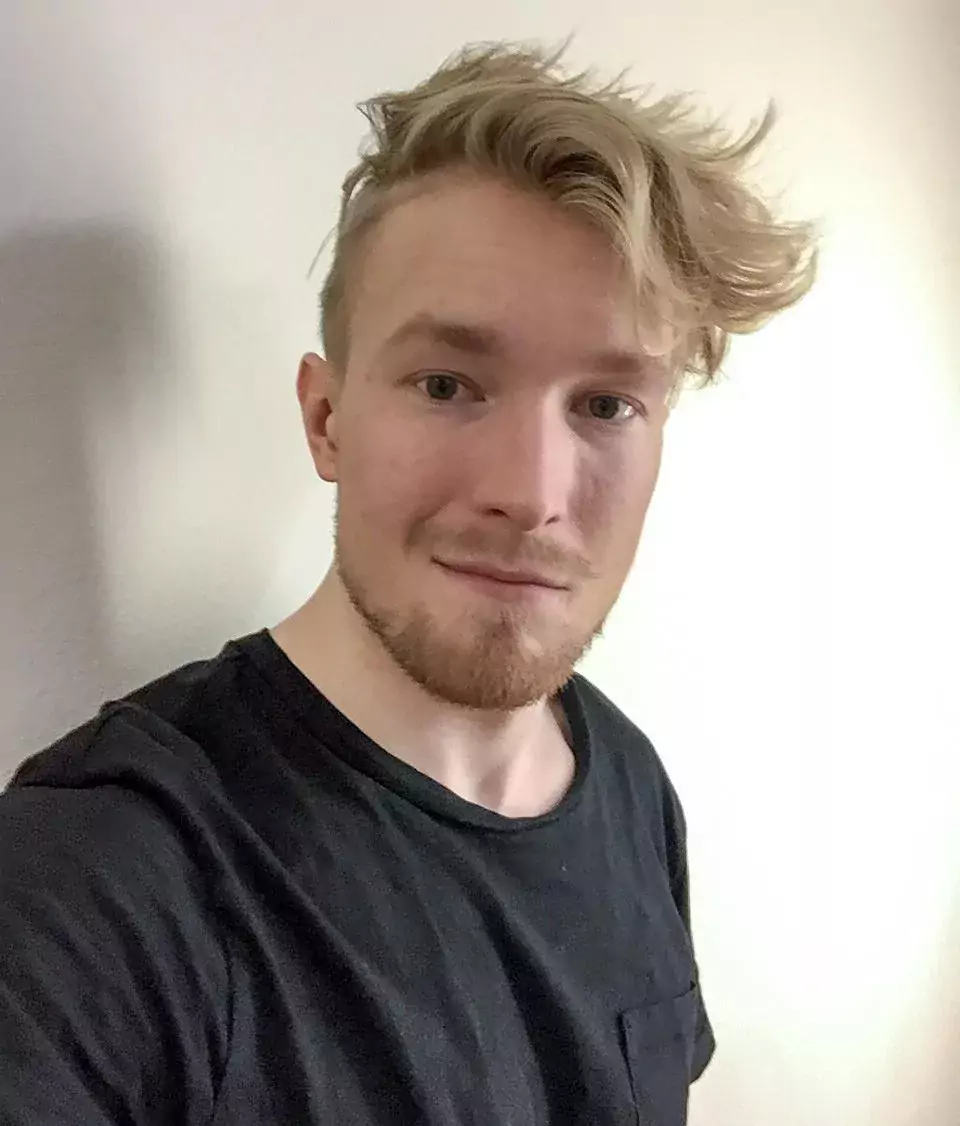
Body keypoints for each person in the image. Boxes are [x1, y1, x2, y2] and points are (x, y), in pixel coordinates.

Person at [0, 41, 816, 1126]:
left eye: (606, 404)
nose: (530, 493)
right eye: (447, 384)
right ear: (326, 419)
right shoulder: (102, 877)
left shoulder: (632, 787)